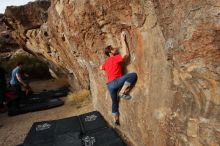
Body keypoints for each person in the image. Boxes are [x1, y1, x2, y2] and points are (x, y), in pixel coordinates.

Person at [100, 31, 137, 126]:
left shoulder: (107, 62)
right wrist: (122, 39)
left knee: (114, 102)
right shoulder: (114, 58)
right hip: (116, 82)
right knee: (133, 75)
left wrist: (104, 66)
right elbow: (125, 54)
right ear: (110, 53)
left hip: (109, 86)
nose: (114, 49)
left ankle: (116, 120)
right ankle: (122, 92)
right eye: (112, 49)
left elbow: (101, 67)